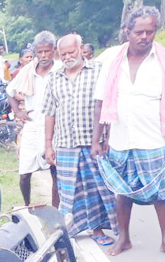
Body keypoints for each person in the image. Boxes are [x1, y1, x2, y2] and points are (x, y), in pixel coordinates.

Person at [91, 6, 165, 255]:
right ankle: (124, 238)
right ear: (127, 31)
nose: (145, 37)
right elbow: (100, 101)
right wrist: (95, 141)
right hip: (120, 140)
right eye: (139, 32)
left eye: (150, 32)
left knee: (161, 195)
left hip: (155, 139)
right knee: (121, 193)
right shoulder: (112, 61)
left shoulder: (162, 59)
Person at [43, 34, 116, 245]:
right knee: (69, 192)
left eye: (71, 52)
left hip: (93, 142)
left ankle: (98, 229)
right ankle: (68, 231)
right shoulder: (54, 78)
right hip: (65, 144)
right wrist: (48, 144)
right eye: (63, 54)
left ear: (81, 49)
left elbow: (107, 105)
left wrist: (108, 138)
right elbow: (49, 113)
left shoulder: (98, 71)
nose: (67, 57)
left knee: (98, 189)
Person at [8, 31, 62, 207]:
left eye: (47, 51)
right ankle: (27, 207)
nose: (44, 56)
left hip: (56, 128)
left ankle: (56, 212)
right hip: (32, 127)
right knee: (24, 174)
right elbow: (10, 92)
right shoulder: (28, 70)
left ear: (54, 50)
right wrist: (18, 112)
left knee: (55, 173)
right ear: (36, 52)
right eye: (40, 52)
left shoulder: (60, 69)